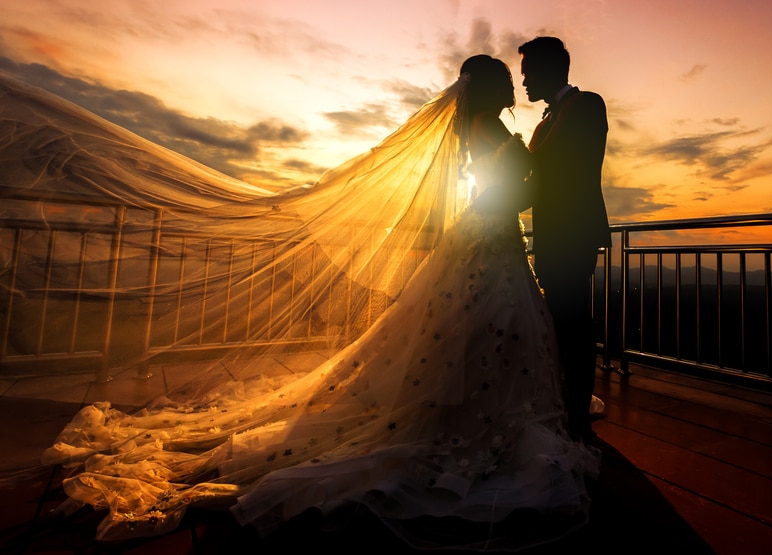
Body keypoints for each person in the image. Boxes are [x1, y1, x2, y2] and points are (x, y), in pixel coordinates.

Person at [33, 56, 598, 548]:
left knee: (478, 329)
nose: (515, 85)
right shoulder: (483, 128)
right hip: (489, 236)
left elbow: (510, 183)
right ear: (492, 88)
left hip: (487, 235)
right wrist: (529, 173)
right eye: (508, 78)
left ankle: (470, 405)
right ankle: (475, 412)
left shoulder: (480, 127)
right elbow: (515, 187)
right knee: (484, 327)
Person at [519, 37, 611, 444]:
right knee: (558, 315)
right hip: (553, 231)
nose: (523, 82)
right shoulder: (544, 120)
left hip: (574, 229)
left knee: (573, 320)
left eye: (527, 74)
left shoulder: (587, 104)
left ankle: (576, 413)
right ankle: (562, 400)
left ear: (548, 70)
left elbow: (563, 168)